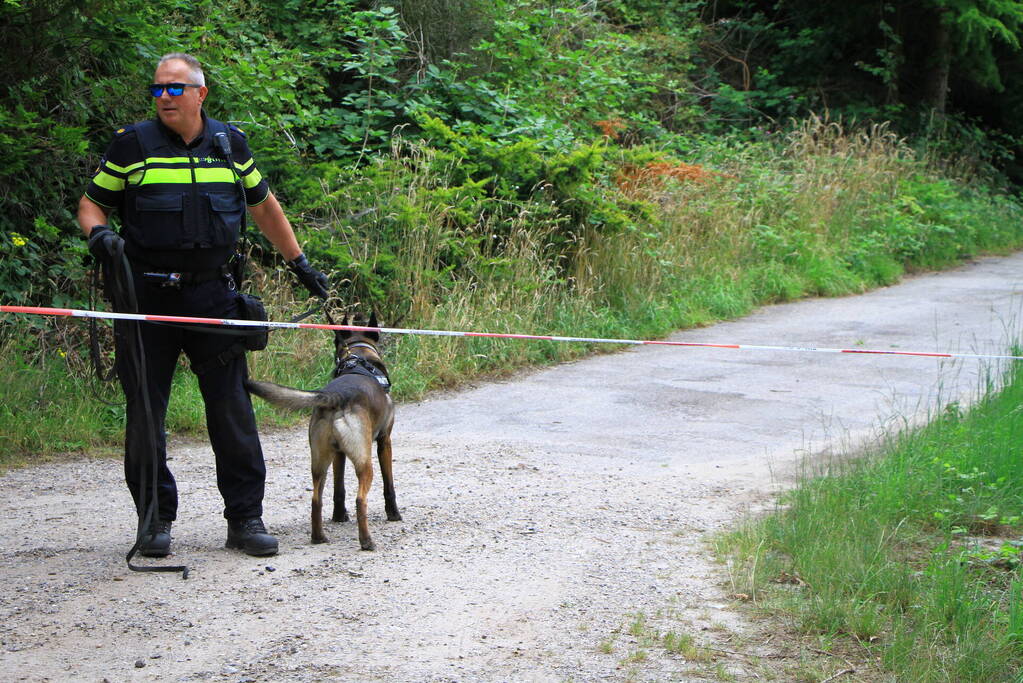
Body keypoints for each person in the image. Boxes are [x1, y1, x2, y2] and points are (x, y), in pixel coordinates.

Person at [76, 52, 329, 558]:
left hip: (213, 295)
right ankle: (154, 520)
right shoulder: (132, 145)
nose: (164, 97)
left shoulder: (229, 144)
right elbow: (91, 204)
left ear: (200, 94)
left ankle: (245, 519)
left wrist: (299, 264)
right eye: (157, 89)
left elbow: (264, 206)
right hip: (145, 298)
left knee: (232, 408)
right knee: (145, 413)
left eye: (175, 88)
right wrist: (99, 235)